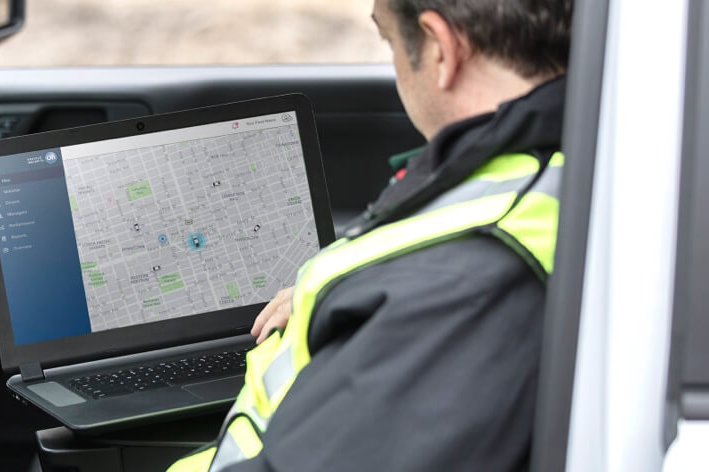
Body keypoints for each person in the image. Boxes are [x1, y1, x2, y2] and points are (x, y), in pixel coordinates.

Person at [167, 0, 572, 470]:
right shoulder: (566, 172)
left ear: (442, 49)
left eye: (389, 41)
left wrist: (324, 315)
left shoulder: (457, 281)